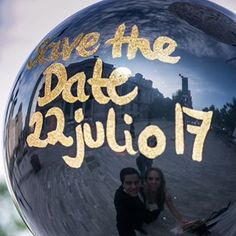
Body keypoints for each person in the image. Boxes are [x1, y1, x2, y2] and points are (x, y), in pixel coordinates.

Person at [114, 167, 149, 236]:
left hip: (139, 218)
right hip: (129, 222)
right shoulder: (120, 199)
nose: (134, 187)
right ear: (123, 184)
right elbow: (123, 223)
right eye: (129, 183)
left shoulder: (142, 188)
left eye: (136, 182)